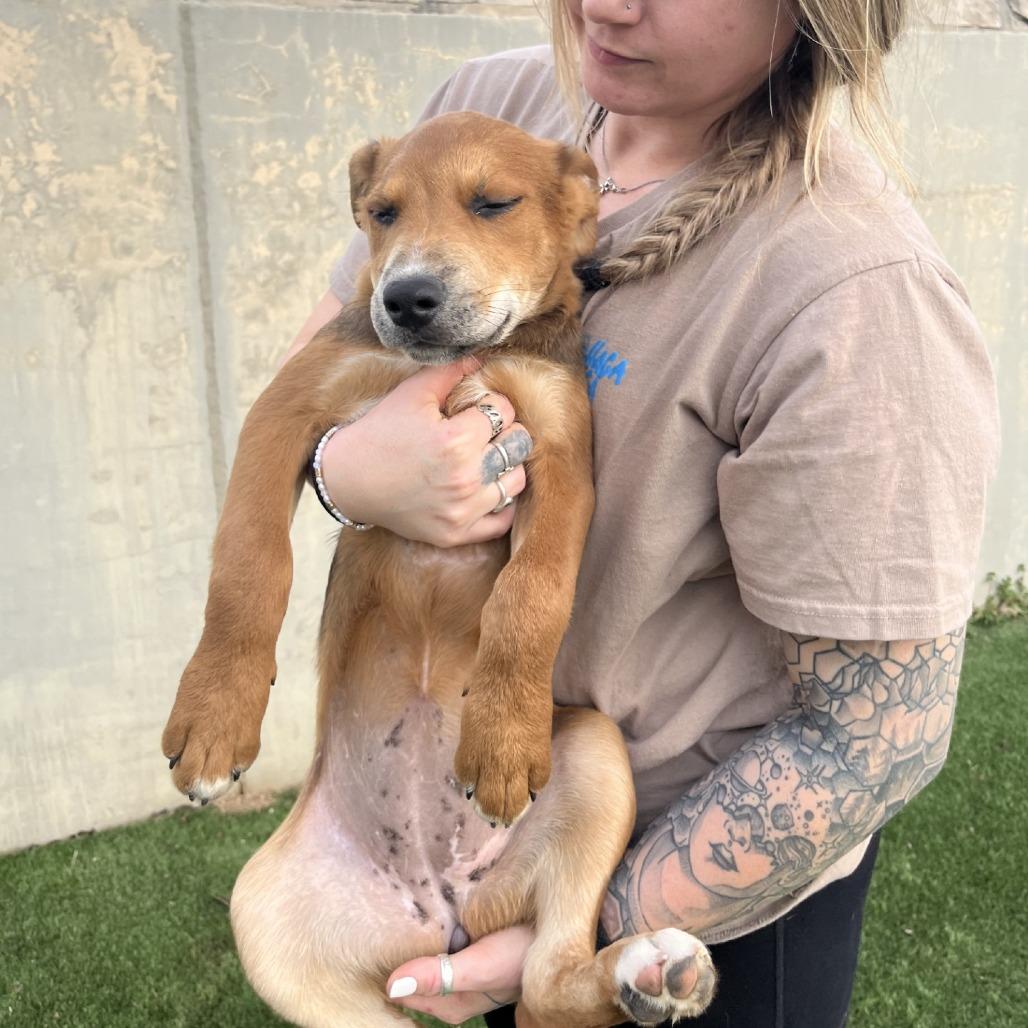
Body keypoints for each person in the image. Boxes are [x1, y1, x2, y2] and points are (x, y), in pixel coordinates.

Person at [281, 0, 999, 1023]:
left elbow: (874, 733)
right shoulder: (490, 104)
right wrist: (345, 466)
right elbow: (313, 376)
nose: (607, 5)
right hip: (490, 809)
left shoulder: (853, 293)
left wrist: (572, 927)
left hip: (695, 895)